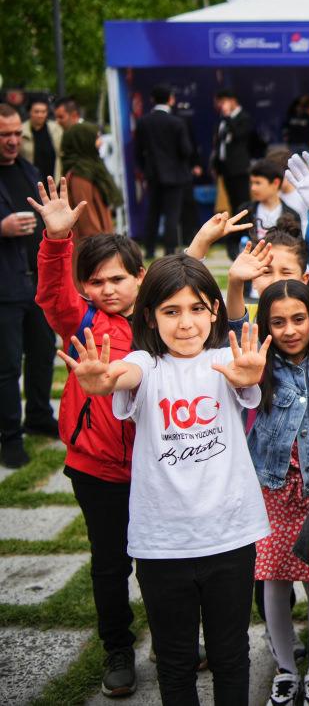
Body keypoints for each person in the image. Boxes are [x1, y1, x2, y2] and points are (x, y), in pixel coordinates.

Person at [61, 255, 272, 704]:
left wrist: (252, 376)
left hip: (230, 537)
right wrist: (103, 380)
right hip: (162, 544)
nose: (185, 323)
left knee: (231, 654)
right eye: (170, 311)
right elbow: (124, 373)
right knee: (176, 663)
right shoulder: (145, 365)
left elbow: (246, 381)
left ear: (214, 311)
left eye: (196, 308)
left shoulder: (226, 361)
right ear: (150, 318)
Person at [31, 178, 146, 696]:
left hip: (157, 467)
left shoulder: (161, 321)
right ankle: (117, 648)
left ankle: (177, 639)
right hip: (96, 469)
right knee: (110, 564)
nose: (107, 290)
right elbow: (52, 294)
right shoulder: (80, 322)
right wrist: (57, 242)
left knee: (167, 562)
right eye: (96, 282)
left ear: (141, 279)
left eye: (118, 279)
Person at [248, 280, 309, 706]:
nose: (289, 330)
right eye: (277, 322)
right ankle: (285, 667)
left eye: (298, 319)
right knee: (274, 581)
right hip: (273, 493)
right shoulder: (258, 370)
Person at [0, 104, 56, 467]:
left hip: (37, 282)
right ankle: (9, 435)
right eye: (5, 134)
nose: (13, 141)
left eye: (17, 134)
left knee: (43, 352)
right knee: (6, 365)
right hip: (3, 285)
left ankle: (38, 416)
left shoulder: (28, 169)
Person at [135, 85, 198, 258]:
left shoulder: (143, 122)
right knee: (172, 215)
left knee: (153, 213)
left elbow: (137, 152)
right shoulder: (177, 122)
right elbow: (186, 150)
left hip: (153, 175)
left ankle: (149, 250)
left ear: (152, 100)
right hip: (176, 176)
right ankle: (170, 251)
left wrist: (146, 169)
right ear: (171, 99)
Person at [213, 88, 263, 254]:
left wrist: (228, 116)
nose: (221, 105)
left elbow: (240, 135)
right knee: (233, 204)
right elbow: (220, 144)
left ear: (233, 101)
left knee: (243, 203)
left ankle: (246, 236)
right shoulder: (223, 120)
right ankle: (235, 237)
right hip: (226, 170)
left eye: (224, 101)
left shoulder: (243, 118)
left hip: (240, 168)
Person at [60, 123, 121, 239]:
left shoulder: (91, 167)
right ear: (84, 141)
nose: (101, 142)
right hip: (93, 246)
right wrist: (101, 246)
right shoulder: (80, 174)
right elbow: (86, 218)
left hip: (101, 240)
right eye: (97, 138)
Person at [237, 158, 301, 244]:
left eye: (258, 183)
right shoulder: (245, 211)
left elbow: (296, 246)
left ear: (275, 183)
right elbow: (233, 241)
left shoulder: (292, 215)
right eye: (251, 183)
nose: (253, 188)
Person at [21, 97, 62, 181]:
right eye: (36, 112)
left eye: (43, 112)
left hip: (53, 179)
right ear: (29, 112)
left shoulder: (56, 129)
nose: (40, 115)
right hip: (29, 179)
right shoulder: (21, 131)